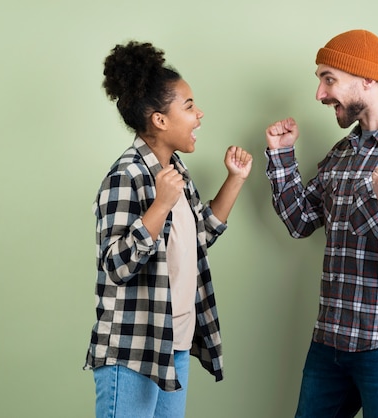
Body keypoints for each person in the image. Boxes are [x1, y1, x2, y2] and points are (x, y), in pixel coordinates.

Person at [265, 29, 378, 417]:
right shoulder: (343, 153)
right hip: (331, 339)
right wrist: (282, 156)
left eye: (328, 79)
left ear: (367, 79)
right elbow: (300, 221)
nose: (320, 94)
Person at [83, 41, 252, 418]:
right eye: (189, 106)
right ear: (160, 120)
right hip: (132, 350)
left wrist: (235, 180)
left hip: (173, 344)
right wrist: (159, 205)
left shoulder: (174, 172)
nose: (199, 114)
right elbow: (116, 265)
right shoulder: (125, 176)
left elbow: (200, 239)